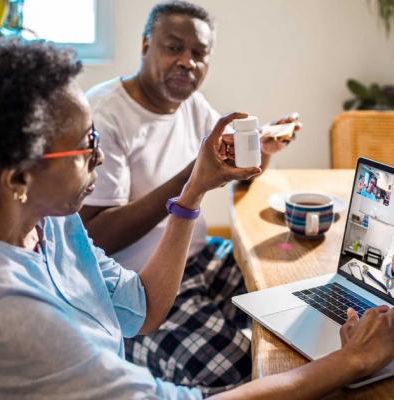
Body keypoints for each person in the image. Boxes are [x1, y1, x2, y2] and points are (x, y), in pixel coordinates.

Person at [0, 38, 394, 399]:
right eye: (87, 146)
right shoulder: (0, 310)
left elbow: (141, 308)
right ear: (18, 176)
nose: (100, 158)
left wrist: (194, 188)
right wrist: (351, 360)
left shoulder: (42, 221)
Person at [79, 1, 299, 391]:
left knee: (290, 304)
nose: (187, 62)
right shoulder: (105, 115)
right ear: (145, 45)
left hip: (198, 259)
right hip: (140, 287)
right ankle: (149, 357)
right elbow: (95, 235)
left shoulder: (192, 104)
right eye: (173, 47)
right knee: (243, 366)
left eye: (199, 53)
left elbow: (218, 168)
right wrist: (191, 178)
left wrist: (262, 150)